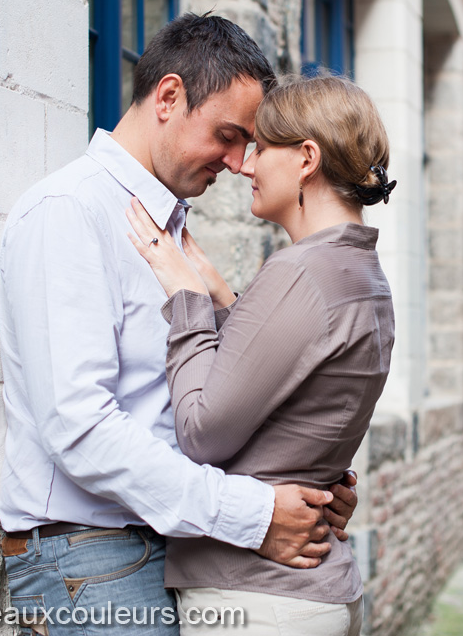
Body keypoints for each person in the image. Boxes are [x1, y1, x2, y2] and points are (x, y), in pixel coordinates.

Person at [0, 14, 357, 635]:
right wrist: (253, 512)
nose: (239, 161)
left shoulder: (167, 226)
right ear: (168, 97)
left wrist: (302, 472)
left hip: (166, 541)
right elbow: (79, 427)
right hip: (91, 554)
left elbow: (201, 403)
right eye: (227, 134)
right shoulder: (69, 213)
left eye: (249, 143)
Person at [124, 75, 397, 635]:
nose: (245, 166)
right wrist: (225, 299)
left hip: (260, 601)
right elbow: (296, 398)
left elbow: (202, 431)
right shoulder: (362, 274)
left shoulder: (300, 273)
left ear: (306, 159)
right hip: (309, 595)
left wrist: (188, 301)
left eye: (261, 148)